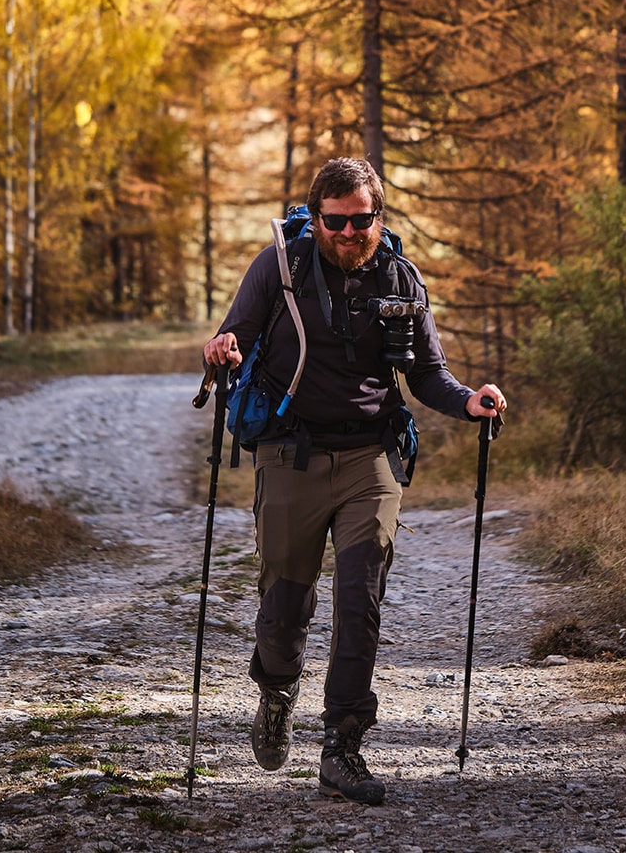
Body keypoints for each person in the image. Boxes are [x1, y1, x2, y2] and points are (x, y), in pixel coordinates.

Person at [203, 156, 506, 806]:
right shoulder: (277, 268)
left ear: (378, 217)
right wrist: (223, 348)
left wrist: (467, 402)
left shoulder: (399, 277)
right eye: (335, 221)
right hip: (290, 456)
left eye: (360, 219)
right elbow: (235, 335)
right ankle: (278, 689)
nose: (348, 232)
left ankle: (342, 746)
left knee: (359, 597)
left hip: (371, 459)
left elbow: (427, 374)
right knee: (284, 608)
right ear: (315, 219)